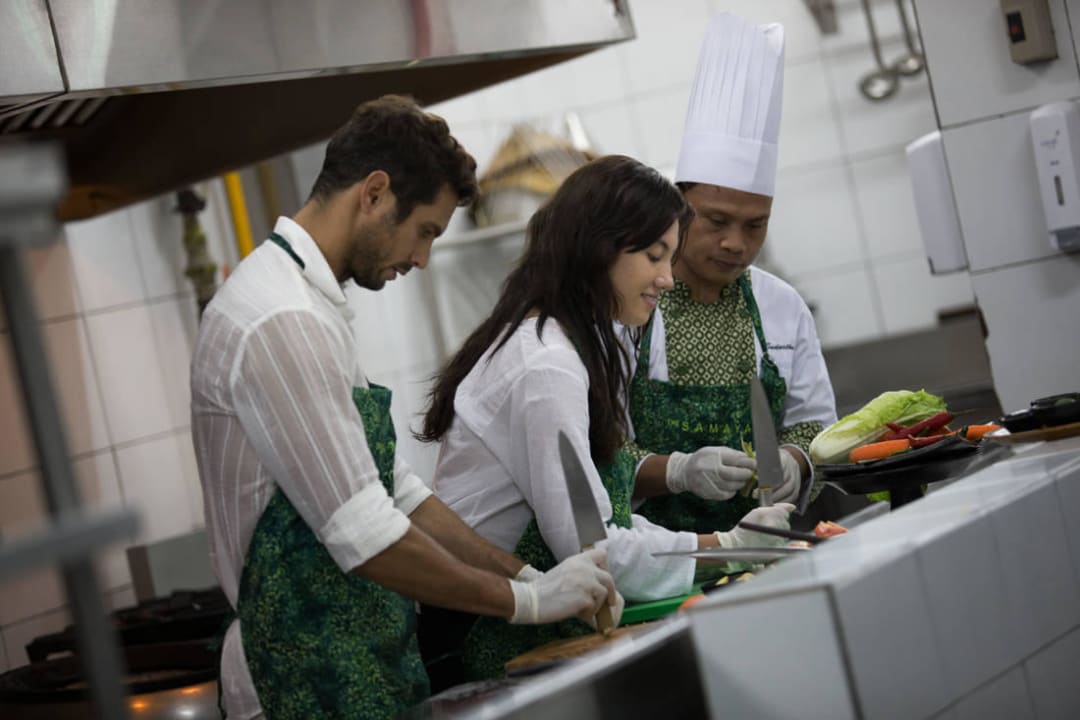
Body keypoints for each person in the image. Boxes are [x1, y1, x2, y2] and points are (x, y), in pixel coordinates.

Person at [190, 95, 621, 720]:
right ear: (374, 193)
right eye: (424, 231)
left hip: (354, 660)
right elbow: (366, 534)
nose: (421, 259)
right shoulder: (280, 318)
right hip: (297, 677)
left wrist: (526, 575)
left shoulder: (311, 307)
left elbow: (396, 493)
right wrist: (523, 602)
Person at [417, 155, 793, 686]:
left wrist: (723, 541)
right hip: (489, 637)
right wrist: (727, 548)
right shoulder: (547, 367)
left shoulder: (567, 345)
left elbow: (599, 522)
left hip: (530, 626)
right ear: (600, 249)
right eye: (654, 256)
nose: (667, 279)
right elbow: (594, 551)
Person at [627, 13, 838, 535]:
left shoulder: (781, 306)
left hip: (770, 540)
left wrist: (796, 460)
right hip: (659, 558)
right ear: (679, 206)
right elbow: (600, 453)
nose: (735, 244)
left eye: (755, 225)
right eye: (717, 221)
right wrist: (677, 472)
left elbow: (817, 423)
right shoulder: (629, 303)